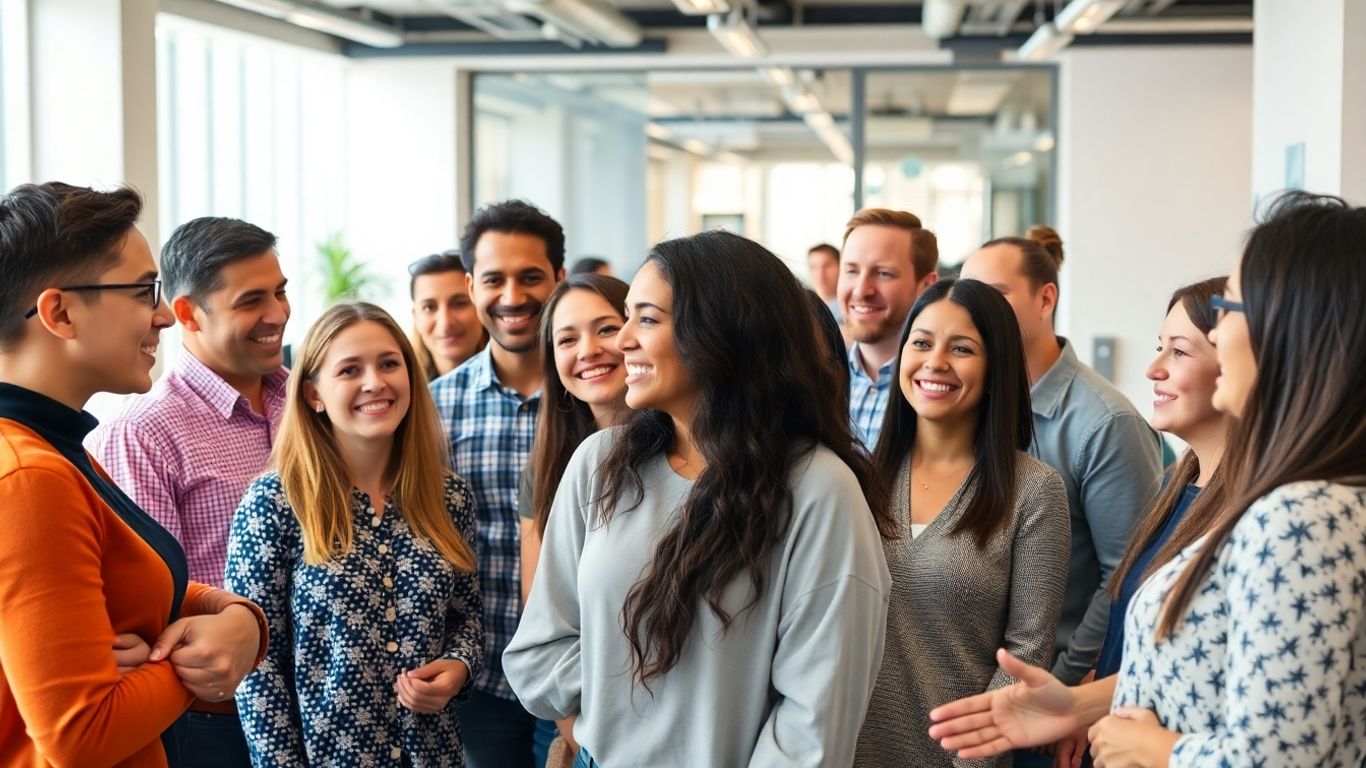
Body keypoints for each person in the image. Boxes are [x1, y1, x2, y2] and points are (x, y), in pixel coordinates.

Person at [929, 192, 1366, 767]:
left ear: (1289, 328)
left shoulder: (1300, 515)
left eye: (1230, 310)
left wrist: (1161, 752)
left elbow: (1277, 757)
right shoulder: (1280, 496)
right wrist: (1079, 706)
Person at [504, 230, 894, 767]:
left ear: (721, 331)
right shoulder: (600, 464)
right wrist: (603, 724)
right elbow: (539, 648)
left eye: (646, 318)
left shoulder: (818, 490)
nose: (621, 342)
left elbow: (813, 727)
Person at [0, 182, 267, 767]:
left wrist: (238, 618)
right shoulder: (28, 476)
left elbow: (132, 583)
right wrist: (187, 662)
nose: (164, 316)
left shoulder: (57, 447)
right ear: (60, 312)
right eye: (146, 291)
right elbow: (81, 734)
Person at [226, 301, 484, 766]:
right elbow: (255, 667)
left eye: (389, 363)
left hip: (434, 755)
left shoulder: (449, 496)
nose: (375, 382)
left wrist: (459, 668)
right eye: (350, 369)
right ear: (313, 395)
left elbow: (467, 619)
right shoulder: (274, 503)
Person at [87, 215, 289, 765]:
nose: (277, 314)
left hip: (329, 707)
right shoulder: (144, 432)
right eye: (252, 300)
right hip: (214, 725)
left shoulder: (312, 403)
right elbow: (151, 602)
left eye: (280, 291)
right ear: (185, 313)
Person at [854, 278, 1071, 767]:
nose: (935, 363)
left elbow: (1027, 650)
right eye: (923, 342)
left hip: (960, 760)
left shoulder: (1034, 491)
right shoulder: (860, 480)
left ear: (996, 369)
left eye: (962, 349)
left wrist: (968, 761)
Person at [960, 227, 1161, 698]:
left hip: (1048, 692)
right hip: (971, 681)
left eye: (995, 295)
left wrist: (1066, 684)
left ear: (1045, 298)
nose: (977, 313)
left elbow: (1128, 572)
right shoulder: (972, 403)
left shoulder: (1105, 422)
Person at [430, 199, 565, 768]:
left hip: (577, 673)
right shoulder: (433, 410)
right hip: (479, 680)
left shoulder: (598, 401)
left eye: (531, 277)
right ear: (471, 285)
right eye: (494, 279)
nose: (512, 296)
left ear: (559, 278)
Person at [516, 273, 630, 765]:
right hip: (578, 729)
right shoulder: (548, 466)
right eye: (567, 339)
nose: (588, 350)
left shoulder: (689, 453)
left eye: (606, 329)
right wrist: (585, 741)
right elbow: (543, 621)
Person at [837, 208, 940, 448]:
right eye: (851, 270)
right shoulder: (814, 380)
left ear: (925, 286)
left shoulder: (938, 389)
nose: (862, 290)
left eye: (883, 273)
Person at [410, 250, 486, 380]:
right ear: (416, 317)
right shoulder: (404, 392)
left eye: (459, 303)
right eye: (429, 307)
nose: (445, 322)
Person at [807, 243, 842, 322]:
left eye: (827, 266)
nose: (820, 274)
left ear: (841, 266)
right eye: (813, 267)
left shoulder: (850, 311)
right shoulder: (802, 307)